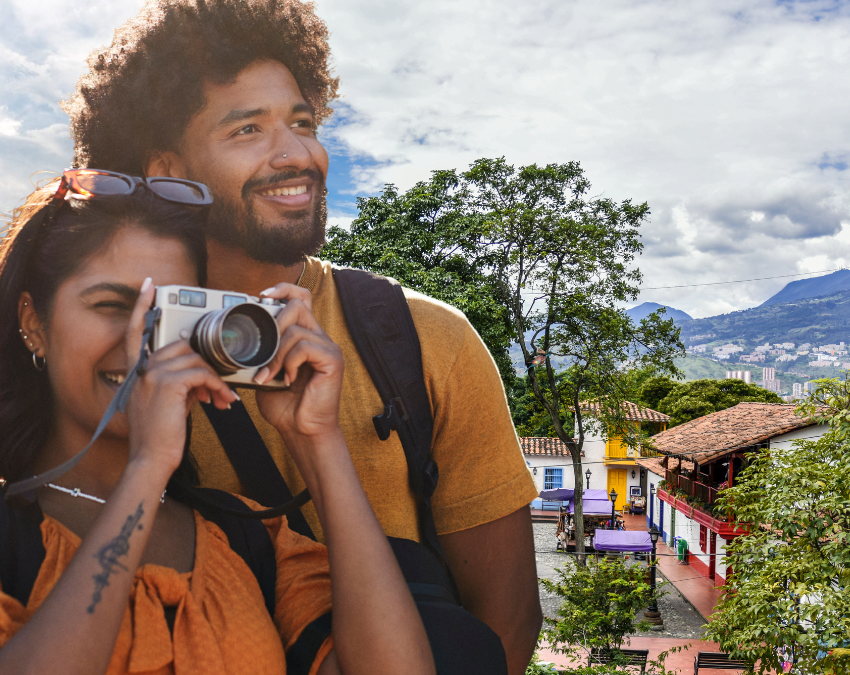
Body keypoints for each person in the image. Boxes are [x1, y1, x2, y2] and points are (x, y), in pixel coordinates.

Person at [64, 2, 543, 672]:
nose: (298, 155)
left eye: (302, 123)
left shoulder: (429, 343)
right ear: (168, 167)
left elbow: (507, 619)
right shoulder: (111, 355)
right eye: (248, 129)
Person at [0, 172, 434, 675]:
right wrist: (147, 469)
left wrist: (318, 439)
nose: (143, 343)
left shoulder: (247, 538)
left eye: (170, 316)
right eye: (113, 306)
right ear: (33, 323)